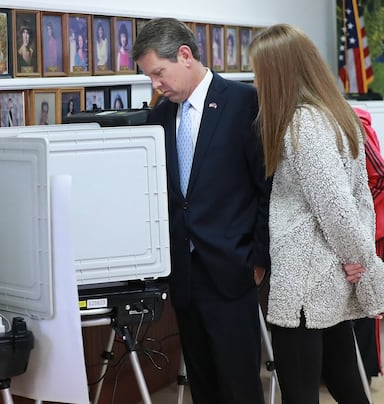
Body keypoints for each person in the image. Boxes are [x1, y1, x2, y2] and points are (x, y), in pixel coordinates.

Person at [131, 18, 270, 404]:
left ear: (185, 55)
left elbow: (267, 187)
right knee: (202, 385)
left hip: (233, 269)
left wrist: (258, 259)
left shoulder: (244, 102)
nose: (156, 85)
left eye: (159, 73)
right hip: (186, 278)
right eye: (150, 77)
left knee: (240, 387)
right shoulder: (158, 117)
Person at [248, 23, 384, 404]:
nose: (257, 83)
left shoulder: (304, 124)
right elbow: (357, 199)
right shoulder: (335, 114)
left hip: (306, 283)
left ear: (279, 73)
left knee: (301, 392)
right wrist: (357, 257)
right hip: (328, 278)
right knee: (346, 384)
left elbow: (337, 206)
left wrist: (360, 260)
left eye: (260, 73)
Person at [353, 106, 384, 385]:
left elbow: (380, 177)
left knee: (366, 302)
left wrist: (361, 215)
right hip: (355, 226)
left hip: (368, 228)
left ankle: (367, 368)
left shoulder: (355, 126)